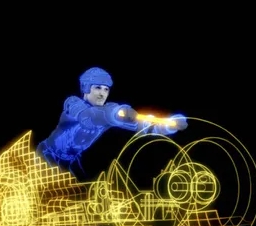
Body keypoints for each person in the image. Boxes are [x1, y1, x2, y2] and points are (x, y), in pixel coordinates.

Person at [36, 66, 187, 177]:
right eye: (98, 88)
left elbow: (142, 126)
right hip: (47, 153)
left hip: (71, 160)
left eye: (106, 89)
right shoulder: (73, 103)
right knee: (54, 191)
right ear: (86, 88)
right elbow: (87, 117)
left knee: (82, 193)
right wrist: (114, 114)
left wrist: (169, 126)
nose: (102, 93)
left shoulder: (109, 112)